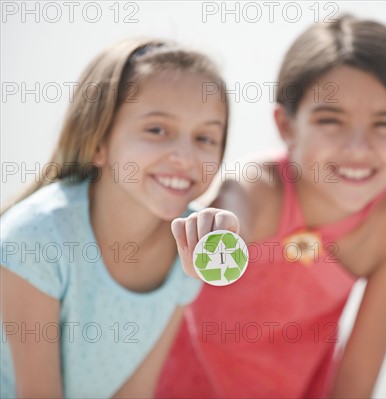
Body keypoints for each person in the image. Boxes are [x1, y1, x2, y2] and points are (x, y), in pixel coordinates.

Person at [156, 15, 386, 398]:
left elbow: (354, 383)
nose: (358, 147)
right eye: (331, 120)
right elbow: (235, 206)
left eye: (384, 124)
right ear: (286, 126)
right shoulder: (261, 187)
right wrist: (216, 230)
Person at [0, 38, 229, 398]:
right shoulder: (36, 237)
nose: (185, 156)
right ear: (98, 143)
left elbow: (136, 390)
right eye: (157, 130)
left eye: (205, 137)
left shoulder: (190, 247)